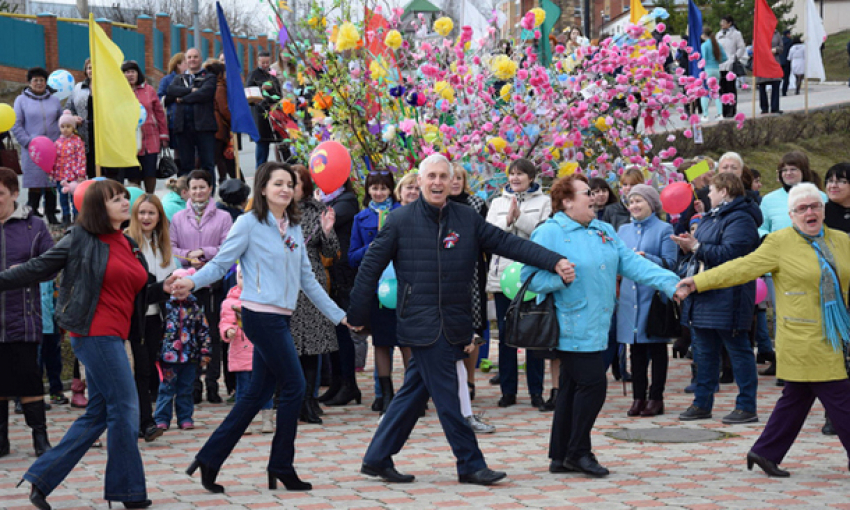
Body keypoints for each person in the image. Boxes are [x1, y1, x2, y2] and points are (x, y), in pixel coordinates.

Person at [350, 153, 575, 486]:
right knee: (451, 398)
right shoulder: (400, 221)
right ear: (420, 181)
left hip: (454, 320)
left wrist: (553, 260)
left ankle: (377, 458)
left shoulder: (466, 218)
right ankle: (470, 463)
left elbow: (508, 243)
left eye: (444, 176)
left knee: (414, 392)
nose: (438, 183)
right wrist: (357, 314)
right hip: (422, 322)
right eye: (432, 177)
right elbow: (370, 266)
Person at [171, 162, 348, 493]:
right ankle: (281, 464)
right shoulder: (248, 223)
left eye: (289, 183)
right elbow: (223, 263)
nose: (284, 188)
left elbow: (306, 279)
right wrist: (191, 282)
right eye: (277, 183)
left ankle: (209, 459)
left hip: (282, 316)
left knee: (255, 395)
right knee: (294, 386)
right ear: (263, 189)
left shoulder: (293, 226)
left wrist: (339, 315)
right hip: (259, 316)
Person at [2, 179, 174, 510]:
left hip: (115, 334)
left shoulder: (128, 243)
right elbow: (38, 268)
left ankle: (41, 478)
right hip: (94, 333)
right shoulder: (79, 238)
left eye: (126, 197)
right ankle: (129, 492)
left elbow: (135, 293)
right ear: (97, 206)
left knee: (98, 414)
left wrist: (165, 288)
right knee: (126, 406)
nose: (126, 202)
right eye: (116, 199)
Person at [676, 182, 850, 478]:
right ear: (791, 214)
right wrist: (699, 282)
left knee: (796, 398)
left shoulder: (842, 240)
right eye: (802, 208)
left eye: (815, 206)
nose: (810, 212)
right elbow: (741, 267)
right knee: (843, 400)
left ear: (823, 209)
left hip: (838, 334)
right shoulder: (779, 242)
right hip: (802, 338)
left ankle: (765, 452)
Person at [523, 174, 680, 478]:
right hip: (569, 325)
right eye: (586, 193)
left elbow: (633, 264)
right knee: (593, 385)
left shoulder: (603, 230)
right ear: (567, 201)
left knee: (571, 386)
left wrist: (672, 284)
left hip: (600, 323)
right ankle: (579, 452)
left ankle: (560, 454)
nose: (594, 197)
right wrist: (559, 277)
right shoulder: (549, 233)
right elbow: (529, 278)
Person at [672, 173, 762, 424]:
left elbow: (734, 255)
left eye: (711, 190)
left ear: (724, 191)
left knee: (739, 351)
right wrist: (687, 247)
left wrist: (697, 247)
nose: (708, 195)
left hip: (730, 295)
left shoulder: (741, 218)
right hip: (704, 293)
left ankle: (746, 406)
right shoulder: (713, 216)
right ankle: (702, 403)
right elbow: (703, 250)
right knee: (704, 352)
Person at [486, 158, 551, 408]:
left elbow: (544, 235)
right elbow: (489, 234)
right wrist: (508, 220)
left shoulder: (544, 202)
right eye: (511, 174)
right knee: (506, 335)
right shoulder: (497, 202)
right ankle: (508, 390)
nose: (515, 178)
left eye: (520, 174)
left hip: (531, 276)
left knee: (534, 333)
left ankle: (536, 391)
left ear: (531, 178)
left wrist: (520, 218)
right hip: (503, 276)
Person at [0, 167, 55, 459]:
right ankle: (1, 440)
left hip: (23, 316)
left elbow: (51, 263)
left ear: (14, 194)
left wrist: (21, 274)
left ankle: (40, 437)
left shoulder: (34, 225)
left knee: (29, 378)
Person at [170, 169, 233, 404]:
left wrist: (204, 252)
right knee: (191, 336)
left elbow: (228, 247)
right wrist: (188, 255)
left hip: (213, 285)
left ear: (210, 188)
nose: (198, 192)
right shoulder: (178, 218)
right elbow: (172, 248)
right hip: (186, 286)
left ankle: (213, 384)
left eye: (202, 187)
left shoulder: (223, 217)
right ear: (188, 191)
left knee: (214, 335)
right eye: (194, 187)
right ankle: (193, 386)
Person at [616, 184, 677, 417]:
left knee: (657, 349)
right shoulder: (622, 230)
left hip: (653, 299)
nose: (634, 206)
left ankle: (656, 397)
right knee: (636, 351)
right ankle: (638, 397)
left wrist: (646, 258)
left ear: (651, 204)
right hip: (629, 298)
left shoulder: (664, 229)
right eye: (631, 202)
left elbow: (671, 264)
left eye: (639, 201)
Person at [349, 170, 406, 415]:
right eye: (374, 188)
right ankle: (386, 394)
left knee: (407, 341)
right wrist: (372, 248)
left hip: (402, 285)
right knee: (381, 342)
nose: (379, 193)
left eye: (384, 188)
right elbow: (352, 257)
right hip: (377, 288)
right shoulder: (360, 218)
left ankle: (411, 394)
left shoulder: (402, 214)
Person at [125, 194, 180, 442]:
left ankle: (144, 421)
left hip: (156, 316)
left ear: (159, 217)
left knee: (148, 369)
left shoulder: (163, 244)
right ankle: (144, 422)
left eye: (151, 213)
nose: (146, 218)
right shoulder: (127, 242)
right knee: (139, 370)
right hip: (132, 317)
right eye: (142, 213)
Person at [290, 164, 340, 424]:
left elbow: (331, 252)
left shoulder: (318, 210)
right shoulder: (277, 213)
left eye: (294, 183)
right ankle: (292, 399)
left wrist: (328, 232)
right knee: (291, 348)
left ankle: (309, 400)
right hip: (285, 281)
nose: (289, 188)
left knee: (312, 346)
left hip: (311, 280)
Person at [448, 164, 496, 429]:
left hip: (473, 273)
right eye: (450, 177)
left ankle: (470, 380)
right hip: (446, 275)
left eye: (458, 178)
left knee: (473, 328)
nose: (454, 182)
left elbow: (486, 239)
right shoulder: (438, 204)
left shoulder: (477, 203)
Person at [319, 179, 362, 407]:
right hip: (329, 274)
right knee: (331, 333)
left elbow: (326, 220)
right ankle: (336, 382)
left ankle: (349, 384)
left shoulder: (347, 201)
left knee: (343, 332)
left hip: (343, 275)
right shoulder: (328, 200)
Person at [219, 265, 274, 433]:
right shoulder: (230, 303)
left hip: (262, 351)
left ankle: (267, 419)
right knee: (243, 388)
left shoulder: (264, 298)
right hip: (241, 352)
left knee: (265, 387)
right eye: (242, 277)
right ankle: (243, 420)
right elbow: (225, 321)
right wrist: (228, 331)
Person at [154, 268, 210, 432]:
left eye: (181, 287)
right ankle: (162, 419)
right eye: (175, 287)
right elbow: (158, 330)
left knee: (186, 389)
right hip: (168, 357)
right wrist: (156, 351)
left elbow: (204, 331)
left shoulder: (195, 308)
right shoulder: (165, 307)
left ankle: (185, 418)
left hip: (189, 356)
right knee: (166, 389)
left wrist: (205, 351)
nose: (178, 291)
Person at [12, 67, 62, 224]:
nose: (39, 83)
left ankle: (51, 213)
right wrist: (27, 142)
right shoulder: (21, 100)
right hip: (32, 150)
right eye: (36, 80)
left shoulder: (54, 100)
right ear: (29, 82)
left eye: (42, 80)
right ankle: (31, 216)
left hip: (53, 149)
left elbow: (62, 122)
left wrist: (61, 141)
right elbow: (16, 124)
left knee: (51, 182)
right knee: (34, 184)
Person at [165, 48, 218, 180]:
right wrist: (191, 90)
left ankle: (209, 195)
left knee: (207, 164)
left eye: (195, 57)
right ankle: (186, 195)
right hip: (183, 127)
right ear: (186, 60)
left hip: (204, 127)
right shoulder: (179, 78)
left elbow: (204, 94)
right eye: (189, 57)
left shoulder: (209, 77)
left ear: (200, 59)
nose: (192, 60)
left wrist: (182, 99)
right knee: (185, 165)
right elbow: (171, 91)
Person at [123, 61, 168, 193]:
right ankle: (137, 201)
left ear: (138, 73)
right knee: (133, 174)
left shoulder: (149, 90)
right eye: (126, 72)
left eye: (132, 71)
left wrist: (163, 135)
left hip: (150, 138)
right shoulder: (120, 92)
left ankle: (150, 198)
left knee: (150, 172)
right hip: (129, 140)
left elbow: (159, 113)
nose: (130, 75)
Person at [246, 51, 283, 168]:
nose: (265, 65)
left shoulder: (272, 74)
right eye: (263, 63)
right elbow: (249, 93)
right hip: (259, 113)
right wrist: (261, 88)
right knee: (262, 143)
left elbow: (279, 93)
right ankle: (260, 168)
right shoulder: (253, 75)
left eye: (267, 62)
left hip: (272, 111)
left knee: (275, 141)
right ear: (258, 62)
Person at [52, 110, 86, 225]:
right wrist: (51, 171)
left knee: (74, 197)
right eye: (62, 126)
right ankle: (65, 216)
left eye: (68, 126)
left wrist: (81, 174)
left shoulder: (77, 141)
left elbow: (81, 158)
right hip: (60, 175)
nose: (65, 129)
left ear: (73, 127)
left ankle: (77, 217)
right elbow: (53, 158)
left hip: (74, 176)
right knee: (62, 198)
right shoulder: (57, 142)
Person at [207, 60, 236, 184]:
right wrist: (234, 121)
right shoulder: (219, 87)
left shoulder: (212, 85)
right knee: (219, 159)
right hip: (220, 128)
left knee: (225, 159)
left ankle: (237, 181)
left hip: (216, 128)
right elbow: (224, 109)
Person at [67, 59, 95, 179]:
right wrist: (73, 117)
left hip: (102, 135)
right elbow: (69, 108)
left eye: (94, 67)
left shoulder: (108, 87)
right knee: (85, 169)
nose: (91, 70)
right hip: (83, 135)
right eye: (89, 68)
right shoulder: (78, 88)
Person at [717, 16, 747, 118]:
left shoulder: (736, 34)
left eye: (724, 22)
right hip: (720, 64)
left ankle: (731, 108)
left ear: (729, 23)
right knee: (722, 88)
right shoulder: (719, 34)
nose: (721, 24)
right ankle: (724, 109)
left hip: (730, 63)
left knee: (730, 88)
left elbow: (741, 47)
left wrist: (734, 57)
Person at [602, 167, 644, 232]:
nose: (628, 188)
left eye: (632, 184)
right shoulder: (611, 210)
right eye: (625, 184)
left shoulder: (648, 209)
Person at [701, 27, 727, 121]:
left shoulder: (704, 45)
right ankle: (720, 114)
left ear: (704, 35)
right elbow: (725, 58)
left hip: (707, 70)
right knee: (716, 93)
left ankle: (705, 115)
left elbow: (703, 59)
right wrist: (716, 62)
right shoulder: (717, 44)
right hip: (716, 70)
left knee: (704, 93)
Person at [757, 30, 784, 115]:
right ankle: (764, 108)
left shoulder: (776, 34)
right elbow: (755, 47)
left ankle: (775, 107)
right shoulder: (759, 32)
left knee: (776, 84)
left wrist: (776, 50)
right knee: (762, 86)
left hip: (774, 62)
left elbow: (781, 47)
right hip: (763, 63)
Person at [780, 29, 793, 96]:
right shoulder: (790, 42)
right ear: (787, 34)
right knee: (786, 78)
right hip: (787, 61)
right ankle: (784, 92)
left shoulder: (780, 41)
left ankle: (776, 90)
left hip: (779, 61)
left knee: (779, 77)